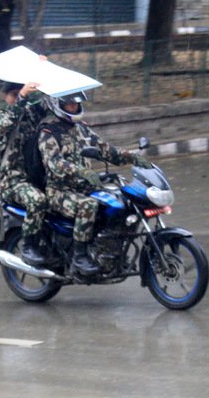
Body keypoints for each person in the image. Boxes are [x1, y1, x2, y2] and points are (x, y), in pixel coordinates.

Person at [37, 92, 152, 275]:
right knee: (88, 207)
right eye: (69, 104)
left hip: (86, 188)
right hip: (60, 191)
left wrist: (133, 158)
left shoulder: (81, 129)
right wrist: (81, 171)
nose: (74, 107)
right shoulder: (49, 132)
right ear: (57, 104)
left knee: (121, 203)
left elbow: (106, 150)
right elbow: (54, 163)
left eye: (76, 103)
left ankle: (110, 252)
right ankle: (79, 256)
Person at [0, 81, 50, 265]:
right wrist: (23, 97)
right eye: (13, 94)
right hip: (14, 182)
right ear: (6, 97)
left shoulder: (30, 114)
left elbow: (51, 102)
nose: (17, 96)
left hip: (37, 178)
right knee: (37, 200)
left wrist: (44, 71)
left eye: (20, 92)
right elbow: (7, 123)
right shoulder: (2, 117)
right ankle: (28, 247)